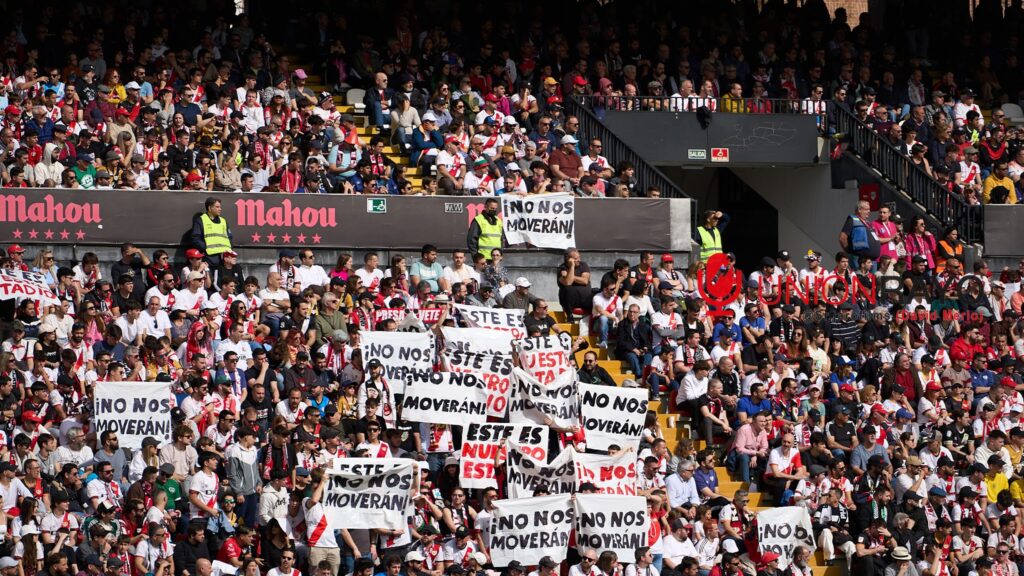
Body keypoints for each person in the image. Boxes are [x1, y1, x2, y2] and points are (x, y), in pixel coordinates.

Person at [189, 197, 233, 268]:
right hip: (210, 258)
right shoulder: (201, 220)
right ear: (210, 208)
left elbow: (229, 237)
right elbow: (195, 238)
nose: (220, 209)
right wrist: (205, 248)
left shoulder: (223, 220)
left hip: (224, 259)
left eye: (220, 207)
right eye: (217, 207)